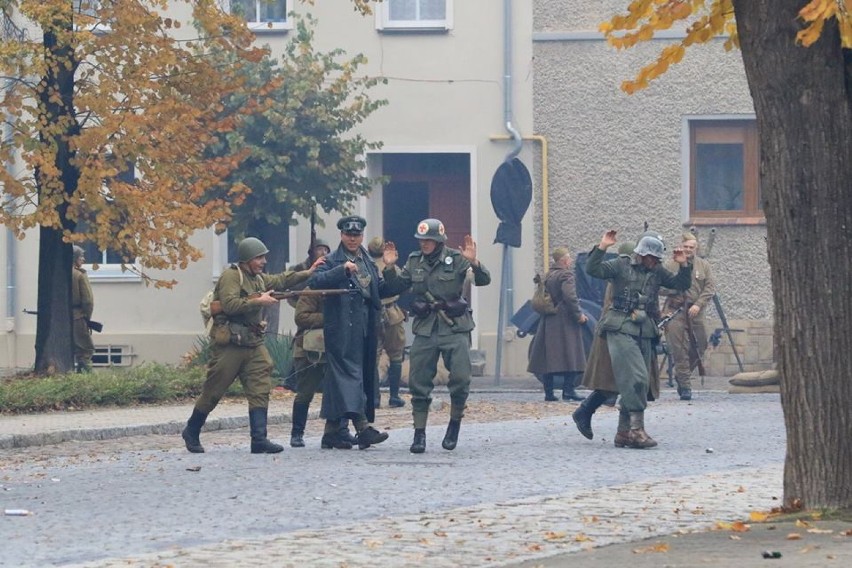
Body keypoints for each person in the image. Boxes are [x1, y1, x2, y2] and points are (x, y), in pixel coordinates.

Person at [181, 237, 320, 454]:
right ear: (246, 260)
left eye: (264, 257)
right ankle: (192, 429)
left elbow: (280, 279)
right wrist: (259, 301)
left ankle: (259, 439)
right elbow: (230, 304)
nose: (263, 261)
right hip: (231, 344)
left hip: (252, 342)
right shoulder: (231, 276)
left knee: (260, 387)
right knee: (214, 390)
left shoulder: (257, 279)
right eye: (259, 258)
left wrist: (308, 272)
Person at [381, 218, 491, 454]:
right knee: (418, 382)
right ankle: (419, 433)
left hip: (454, 327)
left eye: (429, 240)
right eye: (421, 240)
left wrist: (475, 262)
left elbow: (484, 280)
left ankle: (454, 424)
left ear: (439, 240)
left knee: (461, 378)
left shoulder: (456, 258)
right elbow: (396, 287)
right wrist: (389, 267)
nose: (424, 244)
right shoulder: (413, 261)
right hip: (426, 327)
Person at [584, 230, 691, 449]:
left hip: (644, 329)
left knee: (636, 381)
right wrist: (602, 247)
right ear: (641, 254)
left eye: (656, 259)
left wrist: (684, 265)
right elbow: (592, 269)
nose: (653, 262)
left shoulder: (657, 270)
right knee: (637, 377)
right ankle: (636, 430)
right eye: (650, 257)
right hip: (620, 326)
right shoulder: (621, 265)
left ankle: (623, 432)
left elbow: (680, 285)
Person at [306, 215, 391, 450]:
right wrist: (342, 270)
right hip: (342, 327)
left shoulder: (368, 261)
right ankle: (362, 428)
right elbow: (314, 281)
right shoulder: (332, 260)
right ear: (342, 235)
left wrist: (392, 269)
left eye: (356, 235)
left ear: (362, 236)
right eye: (348, 235)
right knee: (349, 374)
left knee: (353, 375)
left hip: (365, 325)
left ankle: (333, 432)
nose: (353, 239)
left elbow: (381, 289)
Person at [660, 232, 716, 401]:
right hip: (675, 311)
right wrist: (676, 291)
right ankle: (685, 386)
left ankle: (681, 374)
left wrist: (699, 304)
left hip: (695, 312)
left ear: (696, 248)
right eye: (686, 247)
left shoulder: (703, 266)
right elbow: (659, 287)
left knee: (702, 343)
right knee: (679, 349)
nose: (688, 250)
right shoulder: (670, 265)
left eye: (691, 247)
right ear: (681, 246)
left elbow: (710, 287)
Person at [527, 247, 588, 402]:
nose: (571, 260)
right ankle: (569, 391)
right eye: (569, 258)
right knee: (572, 355)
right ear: (563, 260)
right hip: (564, 320)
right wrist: (578, 315)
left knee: (548, 358)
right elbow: (570, 296)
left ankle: (549, 393)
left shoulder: (549, 275)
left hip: (549, 320)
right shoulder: (566, 274)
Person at [367, 236, 406, 409]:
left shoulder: (365, 266)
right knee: (396, 355)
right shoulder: (392, 267)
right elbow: (402, 285)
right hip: (392, 313)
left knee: (373, 357)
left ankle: (374, 398)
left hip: (372, 313)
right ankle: (394, 396)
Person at [71, 245, 95, 373]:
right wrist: (86, 318)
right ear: (75, 258)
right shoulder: (79, 275)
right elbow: (88, 301)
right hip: (77, 316)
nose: (83, 259)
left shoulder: (58, 274)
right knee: (85, 349)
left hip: (62, 318)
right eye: (81, 257)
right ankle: (86, 377)